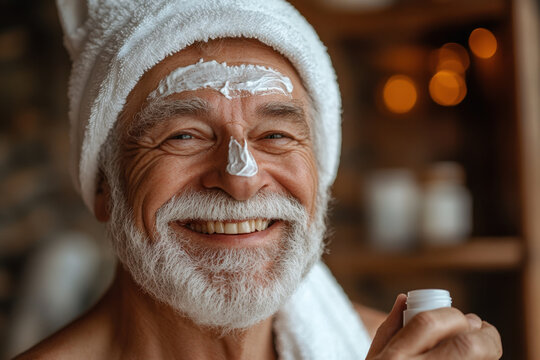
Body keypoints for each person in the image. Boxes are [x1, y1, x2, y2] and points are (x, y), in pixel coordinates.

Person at [16, 0, 503, 359]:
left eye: (274, 135)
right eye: (184, 136)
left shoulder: (391, 350)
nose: (241, 180)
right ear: (104, 184)